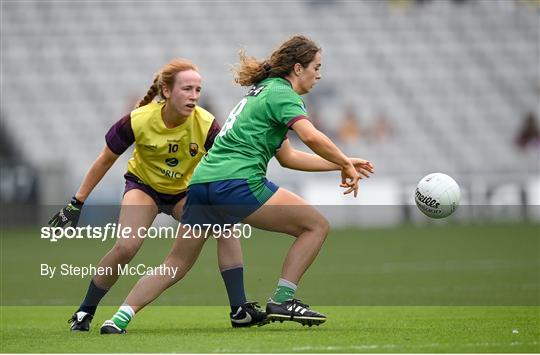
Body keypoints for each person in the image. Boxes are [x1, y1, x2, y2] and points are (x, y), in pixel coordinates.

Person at [100, 35, 374, 334]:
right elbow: (309, 136)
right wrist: (344, 162)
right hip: (236, 183)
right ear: (298, 68)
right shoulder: (282, 94)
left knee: (176, 263)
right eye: (316, 67)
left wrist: (342, 162)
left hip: (202, 183)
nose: (319, 74)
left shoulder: (262, 93)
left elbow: (289, 157)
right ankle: (284, 299)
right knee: (316, 226)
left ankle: (118, 319)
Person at [48, 58, 266, 332]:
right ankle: (85, 312)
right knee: (126, 247)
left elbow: (226, 162)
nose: (194, 96)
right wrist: (76, 202)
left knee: (226, 225)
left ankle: (239, 309)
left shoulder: (207, 124)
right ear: (166, 91)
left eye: (198, 90)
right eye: (187, 89)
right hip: (144, 188)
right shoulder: (138, 120)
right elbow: (105, 160)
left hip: (185, 193)